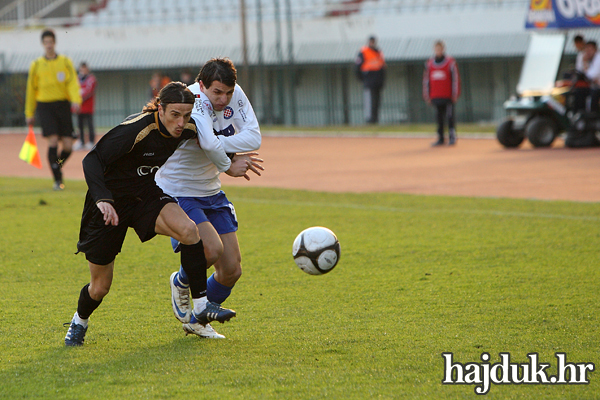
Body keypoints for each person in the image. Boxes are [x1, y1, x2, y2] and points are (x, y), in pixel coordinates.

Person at [63, 82, 241, 347]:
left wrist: (233, 160)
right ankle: (79, 321)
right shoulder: (136, 129)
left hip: (144, 195)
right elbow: (91, 160)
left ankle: (202, 305)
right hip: (109, 203)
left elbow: (213, 144)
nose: (181, 122)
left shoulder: (188, 127)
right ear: (160, 108)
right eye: (174, 115)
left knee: (190, 231)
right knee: (100, 287)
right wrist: (102, 200)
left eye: (186, 115)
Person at [155, 58, 263, 339]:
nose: (224, 99)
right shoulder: (193, 100)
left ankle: (196, 321)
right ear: (202, 86)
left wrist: (219, 148)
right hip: (178, 190)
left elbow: (253, 138)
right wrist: (229, 164)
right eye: (217, 92)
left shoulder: (233, 94)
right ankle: (181, 280)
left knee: (231, 269)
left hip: (211, 190)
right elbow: (209, 144)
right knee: (211, 250)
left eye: (228, 92)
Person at [24, 29, 81, 190]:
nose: (49, 45)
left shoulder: (65, 62)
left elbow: (72, 83)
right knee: (53, 140)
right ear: (43, 44)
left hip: (62, 105)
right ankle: (57, 179)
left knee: (68, 146)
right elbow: (31, 90)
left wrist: (76, 100)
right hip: (45, 106)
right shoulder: (36, 65)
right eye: (46, 42)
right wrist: (29, 112)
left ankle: (57, 165)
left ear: (54, 43)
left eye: (51, 42)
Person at [423, 40, 461, 146]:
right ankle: (440, 138)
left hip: (448, 96)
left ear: (443, 49)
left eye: (440, 49)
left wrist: (455, 94)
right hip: (436, 95)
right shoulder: (429, 64)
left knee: (450, 117)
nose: (438, 51)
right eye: (436, 49)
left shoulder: (450, 62)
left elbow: (455, 79)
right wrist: (427, 95)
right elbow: (426, 81)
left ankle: (452, 137)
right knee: (439, 118)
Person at [355, 35, 386, 124]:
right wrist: (363, 79)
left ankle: (375, 120)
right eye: (371, 41)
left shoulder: (379, 52)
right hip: (369, 81)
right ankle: (369, 120)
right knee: (370, 102)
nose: (372, 43)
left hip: (378, 81)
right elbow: (357, 67)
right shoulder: (363, 51)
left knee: (377, 102)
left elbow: (382, 67)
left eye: (373, 41)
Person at [74, 62, 97, 151]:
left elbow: (89, 91)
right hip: (79, 107)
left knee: (89, 124)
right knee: (80, 125)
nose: (83, 70)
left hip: (88, 106)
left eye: (84, 69)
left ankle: (91, 141)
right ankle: (81, 141)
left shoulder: (91, 79)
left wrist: (79, 97)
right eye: (81, 69)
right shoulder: (77, 79)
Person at [584, 41, 600, 112]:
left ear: (595, 50)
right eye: (587, 50)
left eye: (590, 50)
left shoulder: (598, 58)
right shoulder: (592, 59)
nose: (588, 52)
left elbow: (591, 75)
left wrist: (584, 63)